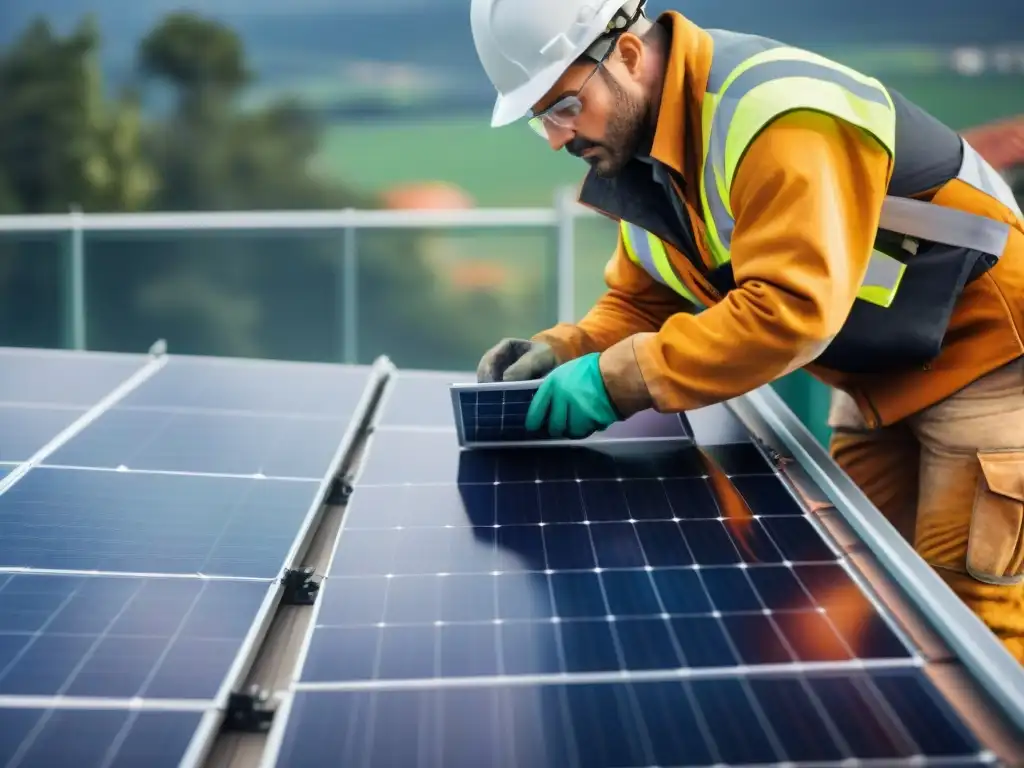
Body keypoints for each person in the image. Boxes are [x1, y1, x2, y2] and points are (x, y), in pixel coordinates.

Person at [469, 0, 1024, 664]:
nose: (559, 137)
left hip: (989, 363)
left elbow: (788, 308)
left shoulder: (778, 115)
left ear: (626, 54)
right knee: (869, 596)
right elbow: (643, 298)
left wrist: (617, 381)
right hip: (877, 371)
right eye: (542, 122)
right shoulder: (652, 155)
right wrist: (568, 348)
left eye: (563, 107)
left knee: (973, 629)